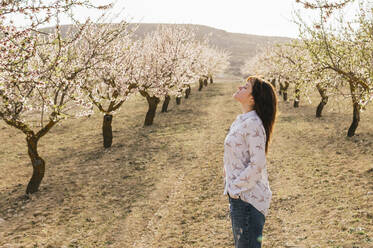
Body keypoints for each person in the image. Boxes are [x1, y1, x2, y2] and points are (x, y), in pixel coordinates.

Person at [223, 76, 277, 248]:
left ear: (252, 98)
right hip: (242, 196)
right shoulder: (243, 120)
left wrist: (235, 188)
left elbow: (258, 163)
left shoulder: (253, 123)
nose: (240, 86)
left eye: (245, 87)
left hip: (247, 199)